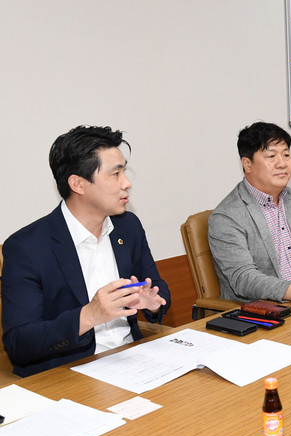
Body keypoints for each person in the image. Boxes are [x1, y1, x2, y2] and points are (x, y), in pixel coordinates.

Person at [1, 125, 170, 377]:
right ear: (78, 184)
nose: (127, 183)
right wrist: (88, 316)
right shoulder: (27, 247)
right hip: (68, 375)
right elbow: (19, 343)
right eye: (115, 174)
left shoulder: (128, 227)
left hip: (134, 361)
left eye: (124, 171)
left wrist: (152, 303)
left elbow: (156, 287)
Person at [208, 121, 291, 304]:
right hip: (264, 309)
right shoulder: (227, 217)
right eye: (271, 156)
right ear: (247, 164)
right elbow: (243, 278)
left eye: (286, 155)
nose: (282, 164)